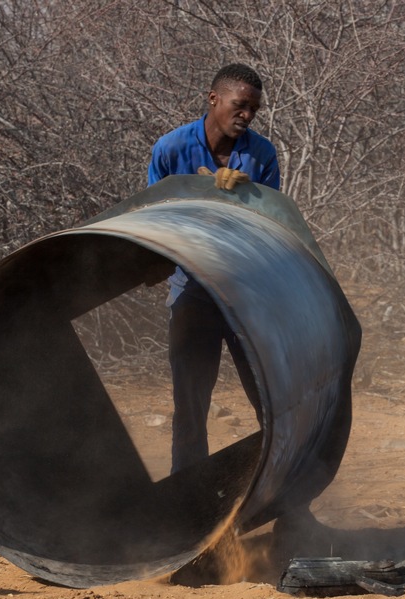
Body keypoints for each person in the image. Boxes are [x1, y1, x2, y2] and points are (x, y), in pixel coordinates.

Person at [148, 63, 281, 473]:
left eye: (253, 110)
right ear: (213, 99)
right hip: (192, 291)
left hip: (246, 294)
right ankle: (185, 504)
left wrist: (246, 199)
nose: (246, 116)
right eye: (240, 106)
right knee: (190, 406)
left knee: (270, 400)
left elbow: (271, 222)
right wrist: (202, 192)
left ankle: (286, 500)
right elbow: (154, 214)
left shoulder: (262, 154)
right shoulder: (170, 149)